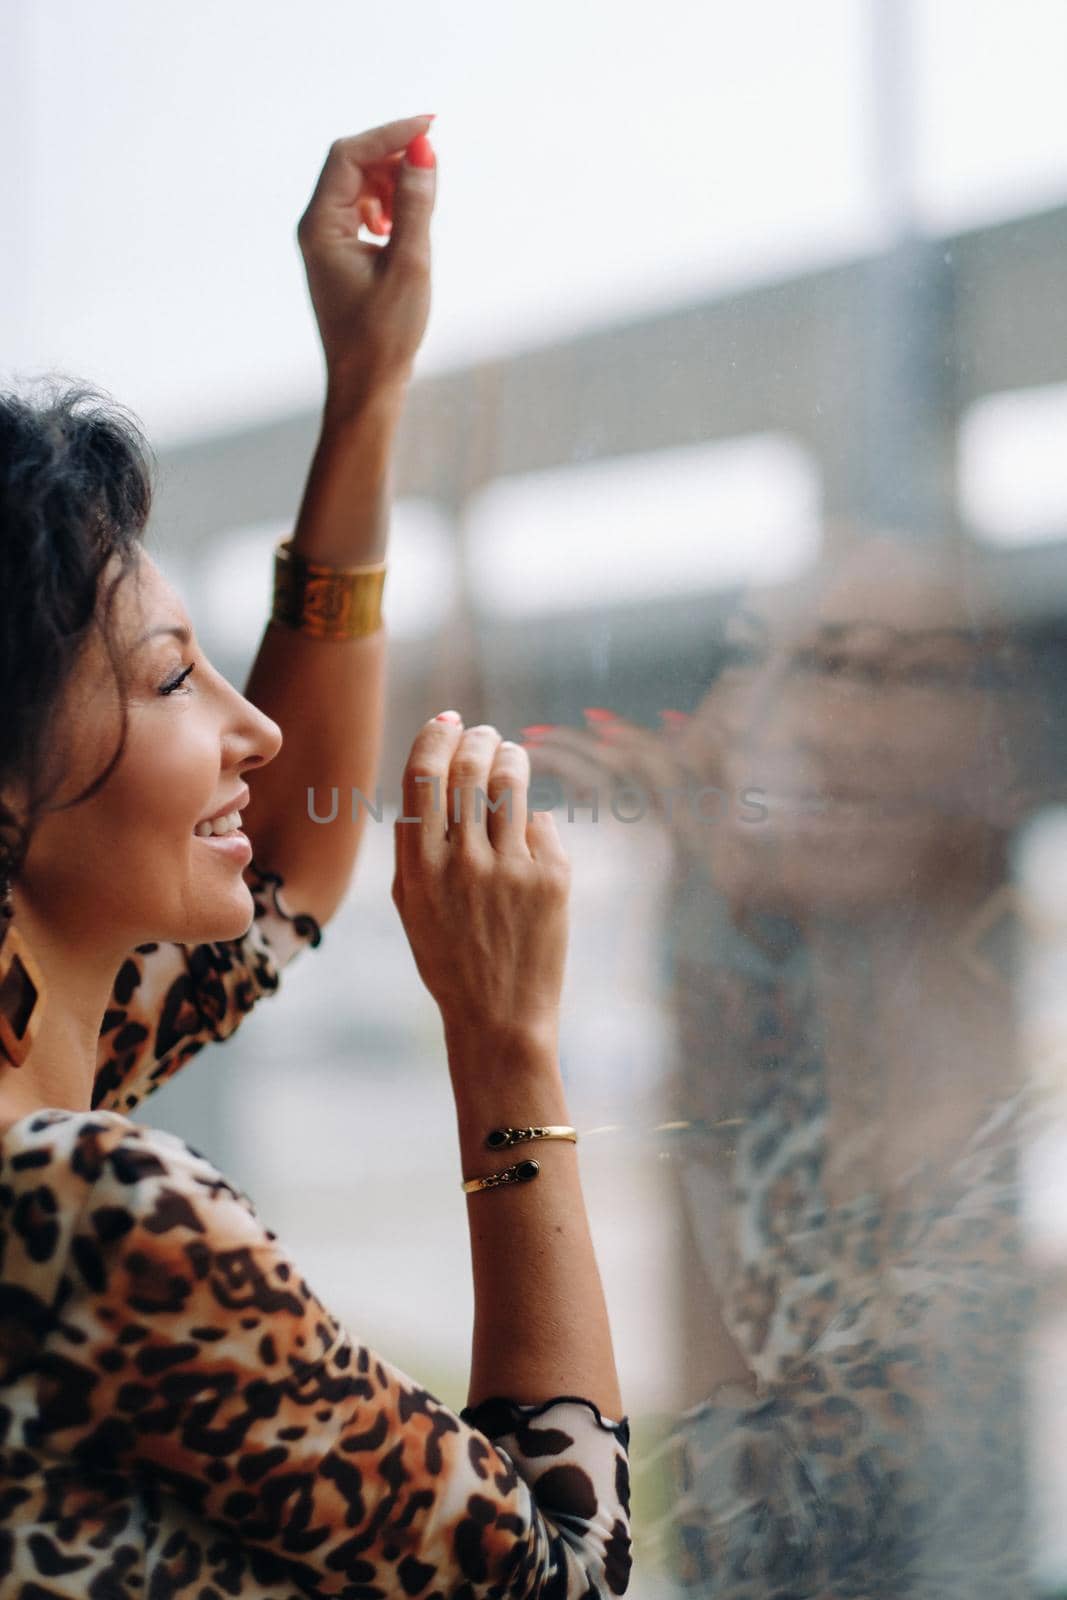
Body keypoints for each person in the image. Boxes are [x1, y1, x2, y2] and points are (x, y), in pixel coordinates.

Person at [0, 115, 631, 1599]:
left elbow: (276, 871)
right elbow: (565, 1572)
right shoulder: (95, 1212)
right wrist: (504, 1045)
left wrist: (365, 389)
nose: (254, 732)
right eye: (168, 680)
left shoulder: (51, 1066)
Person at [526, 531, 1057, 1596]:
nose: (819, 723)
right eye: (789, 668)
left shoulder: (1019, 1089)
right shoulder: (759, 1036)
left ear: (1001, 734)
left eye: (886, 674)